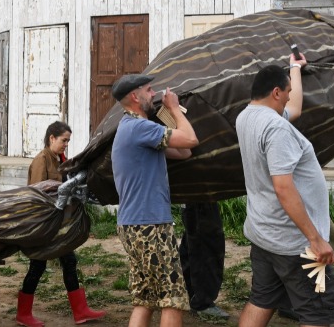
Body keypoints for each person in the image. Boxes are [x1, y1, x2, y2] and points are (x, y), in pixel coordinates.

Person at [235, 54, 334, 327]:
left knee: (261, 300)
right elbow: (283, 188)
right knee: (316, 314)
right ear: (275, 92)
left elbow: (293, 109)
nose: (288, 98)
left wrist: (295, 67)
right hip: (295, 244)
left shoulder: (247, 117)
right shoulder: (276, 128)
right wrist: (316, 239)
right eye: (286, 93)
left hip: (265, 234)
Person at [110, 74, 199, 327]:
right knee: (172, 299)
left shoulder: (131, 129)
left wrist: (168, 116)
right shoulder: (140, 128)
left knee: (145, 299)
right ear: (135, 97)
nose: (155, 95)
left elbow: (184, 151)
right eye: (149, 91)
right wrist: (173, 107)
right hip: (151, 226)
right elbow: (192, 139)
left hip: (133, 225)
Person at [18, 121, 106, 326]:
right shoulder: (41, 160)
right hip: (45, 225)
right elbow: (38, 194)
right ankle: (23, 314)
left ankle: (80, 311)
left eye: (68, 141)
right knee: (38, 266)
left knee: (68, 262)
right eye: (63, 140)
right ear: (52, 138)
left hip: (57, 224)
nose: (66, 144)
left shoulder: (59, 158)